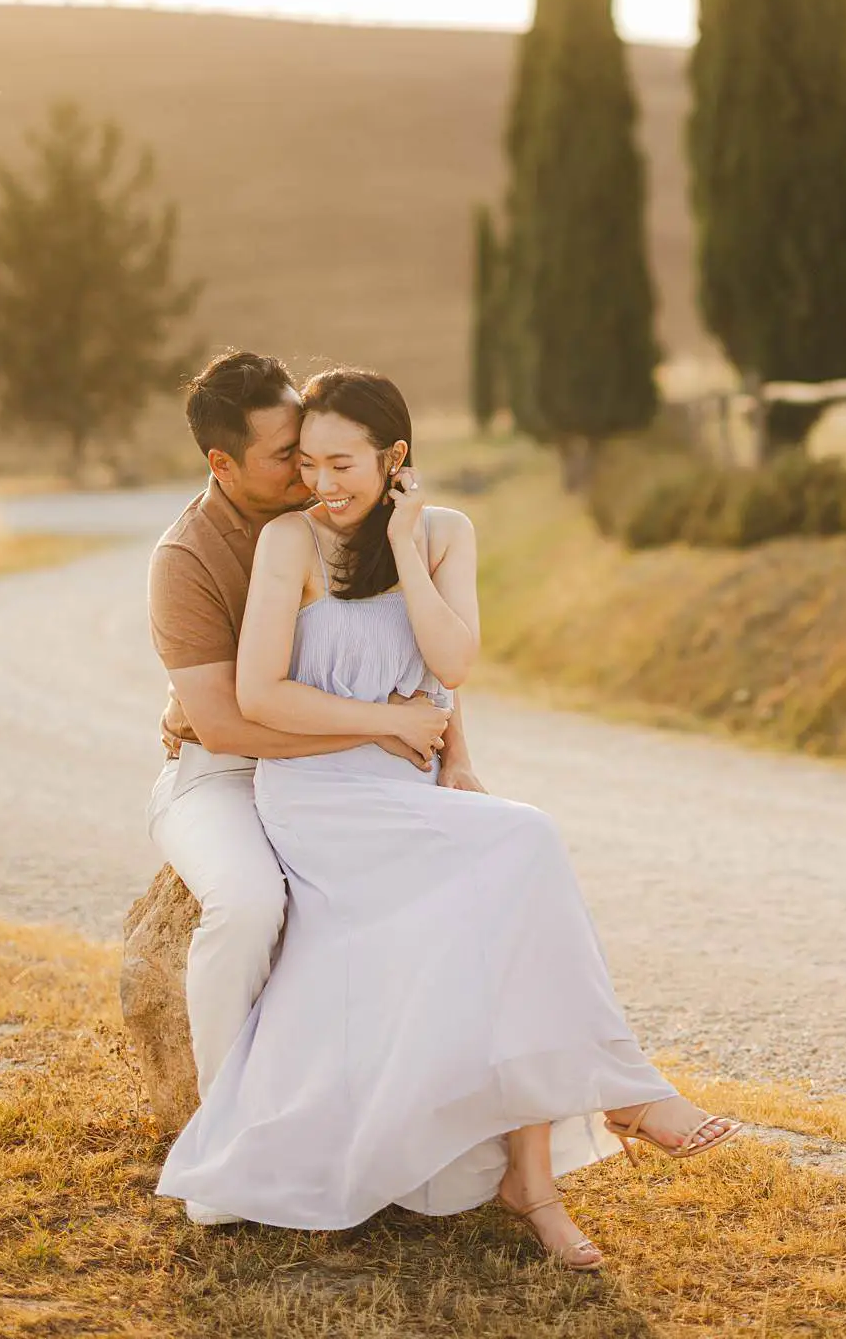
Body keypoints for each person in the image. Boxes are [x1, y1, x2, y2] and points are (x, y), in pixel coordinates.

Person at [157, 366, 740, 1268]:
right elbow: (255, 695)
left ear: (394, 457)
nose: (319, 482)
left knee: (515, 876)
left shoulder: (442, 533)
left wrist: (404, 546)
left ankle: (536, 1176)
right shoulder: (277, 544)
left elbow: (450, 665)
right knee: (520, 841)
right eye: (303, 461)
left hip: (401, 786)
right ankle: (622, 1090)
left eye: (338, 461)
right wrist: (390, 721)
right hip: (313, 793)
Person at [146, 349, 485, 1100]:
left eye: (316, 450)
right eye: (287, 458)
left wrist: (451, 749)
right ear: (223, 463)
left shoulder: (350, 519)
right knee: (249, 902)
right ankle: (224, 1120)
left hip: (337, 759)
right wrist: (378, 728)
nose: (312, 474)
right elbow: (228, 726)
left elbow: (416, 656)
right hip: (221, 772)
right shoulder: (186, 560)